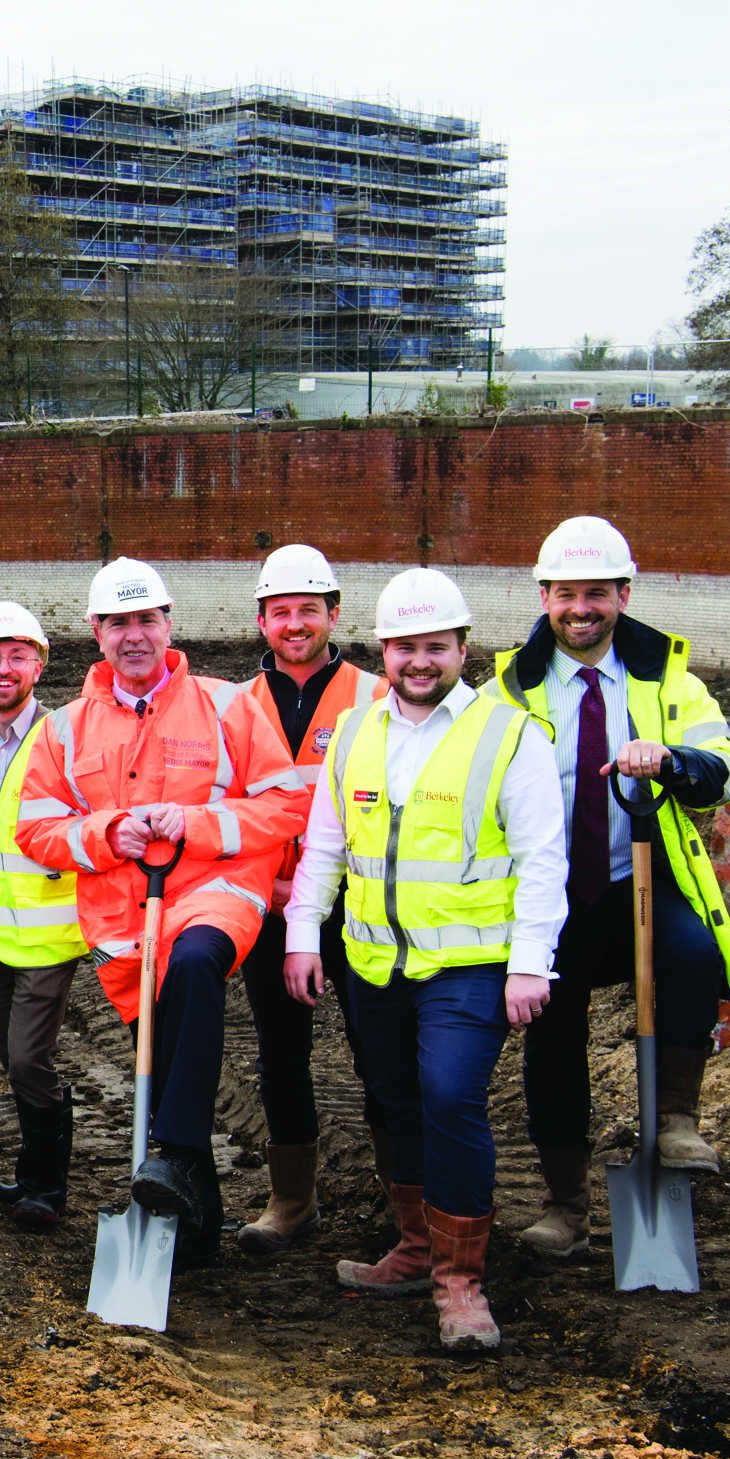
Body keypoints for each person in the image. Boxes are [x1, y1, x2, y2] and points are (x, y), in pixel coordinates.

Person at [284, 569, 567, 1351]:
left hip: (472, 964)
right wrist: (304, 934)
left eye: (435, 647)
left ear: (462, 649)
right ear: (384, 650)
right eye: (405, 647)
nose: (419, 661)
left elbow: (545, 858)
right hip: (373, 963)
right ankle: (415, 1247)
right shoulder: (355, 734)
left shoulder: (510, 735)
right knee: (391, 1101)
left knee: (449, 1094)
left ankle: (461, 1281)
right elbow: (326, 847)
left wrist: (531, 963)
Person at [13, 558, 307, 1262]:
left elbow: (286, 802)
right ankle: (192, 1223)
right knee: (173, 1060)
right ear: (96, 633)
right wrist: (110, 833)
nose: (134, 635)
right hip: (126, 921)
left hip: (213, 899)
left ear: (169, 624)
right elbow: (35, 827)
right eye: (119, 623)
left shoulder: (230, 704)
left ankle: (172, 1151)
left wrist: (193, 826)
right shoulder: (65, 730)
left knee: (199, 962)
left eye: (147, 620)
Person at [484, 516, 730, 1258]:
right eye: (566, 594)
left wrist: (671, 758)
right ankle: (565, 1204)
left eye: (597, 593)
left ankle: (675, 1122)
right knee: (551, 1038)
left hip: (639, 875)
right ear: (544, 597)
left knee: (696, 954)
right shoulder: (509, 688)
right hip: (554, 895)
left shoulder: (667, 678)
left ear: (623, 594)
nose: (582, 608)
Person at [234, 546, 388, 1253]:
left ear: (333, 613)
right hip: (269, 908)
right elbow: (225, 809)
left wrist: (326, 883)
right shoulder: (236, 707)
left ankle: (403, 1195)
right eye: (280, 613)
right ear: (262, 622)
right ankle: (292, 1198)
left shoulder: (377, 695)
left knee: (380, 1045)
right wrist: (273, 886)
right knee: (280, 1053)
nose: (294, 624)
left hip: (358, 905)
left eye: (307, 610)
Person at [0, 604, 91, 1230]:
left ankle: (48, 1187)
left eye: (18, 656)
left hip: (51, 935)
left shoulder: (68, 737)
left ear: (40, 664)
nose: (4, 669)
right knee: (14, 1059)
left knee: (31, 1060)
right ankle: (32, 1172)